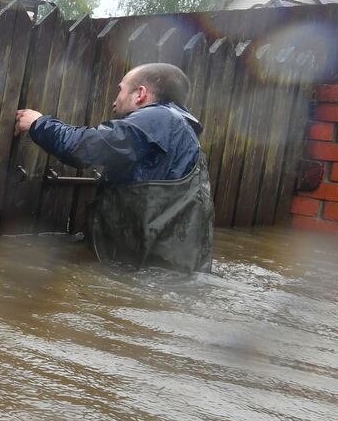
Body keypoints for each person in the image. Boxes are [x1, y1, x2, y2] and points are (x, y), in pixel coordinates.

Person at [14, 62, 213, 273]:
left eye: (120, 89)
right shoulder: (179, 128)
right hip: (168, 267)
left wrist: (39, 123)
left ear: (140, 94)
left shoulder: (158, 118)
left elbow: (87, 148)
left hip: (150, 269)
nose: (114, 101)